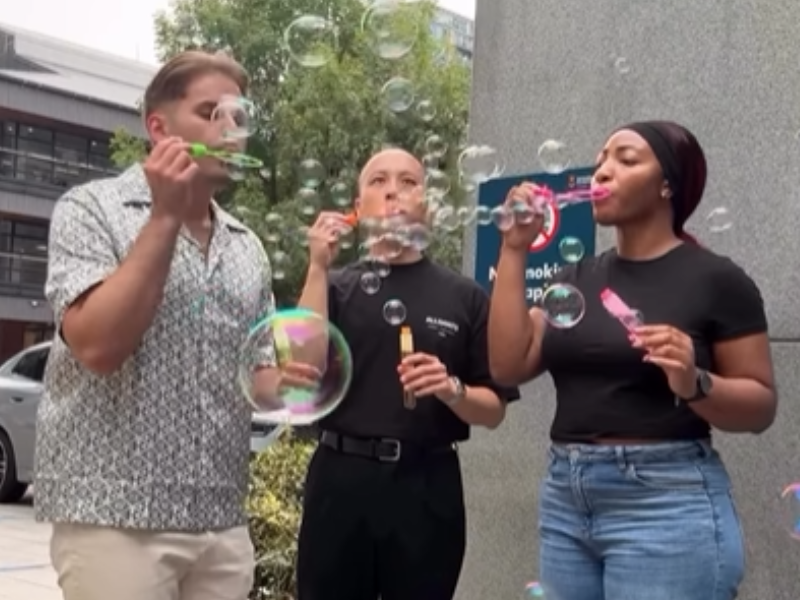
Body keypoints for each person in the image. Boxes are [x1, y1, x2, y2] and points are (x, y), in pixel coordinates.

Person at [487, 120, 777, 600]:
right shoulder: (575, 277)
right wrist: (514, 248)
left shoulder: (717, 280)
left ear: (668, 185)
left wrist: (695, 380)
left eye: (625, 159)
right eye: (600, 159)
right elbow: (507, 365)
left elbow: (760, 406)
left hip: (666, 501)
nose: (601, 171)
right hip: (566, 495)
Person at [36, 51, 281, 600]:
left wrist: (325, 377)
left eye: (238, 118)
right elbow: (99, 346)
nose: (229, 130)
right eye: (209, 112)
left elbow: (259, 379)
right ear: (158, 127)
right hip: (114, 519)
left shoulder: (248, 247)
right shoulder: (91, 209)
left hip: (220, 520)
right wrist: (165, 215)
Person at [293, 148, 520, 600]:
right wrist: (317, 266)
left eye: (408, 182)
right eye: (377, 181)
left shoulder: (466, 297)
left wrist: (452, 390)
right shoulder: (334, 287)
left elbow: (494, 410)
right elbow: (303, 370)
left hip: (428, 483)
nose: (392, 190)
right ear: (357, 207)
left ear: (429, 208)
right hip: (340, 478)